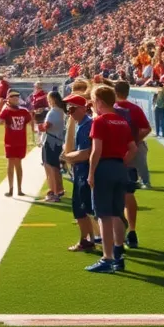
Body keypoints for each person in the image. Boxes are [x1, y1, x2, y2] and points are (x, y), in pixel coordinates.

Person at [86, 84, 137, 274]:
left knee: (104, 215)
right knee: (117, 213)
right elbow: (133, 148)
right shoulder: (122, 121)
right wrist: (122, 161)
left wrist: (91, 172)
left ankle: (107, 257)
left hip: (104, 167)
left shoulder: (99, 121)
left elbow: (96, 150)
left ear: (99, 101)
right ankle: (118, 253)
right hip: (119, 168)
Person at [113, 80, 152, 246]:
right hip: (129, 155)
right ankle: (132, 231)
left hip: (115, 156)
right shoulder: (134, 108)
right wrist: (135, 142)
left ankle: (119, 233)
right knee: (128, 194)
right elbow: (146, 128)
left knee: (116, 194)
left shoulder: (112, 109)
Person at [62, 95, 97, 252]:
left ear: (83, 108)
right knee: (80, 208)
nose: (70, 113)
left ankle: (92, 240)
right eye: (68, 109)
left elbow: (85, 153)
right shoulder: (80, 124)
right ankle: (87, 239)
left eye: (73, 109)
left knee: (85, 209)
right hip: (80, 171)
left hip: (84, 171)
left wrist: (67, 157)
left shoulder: (86, 125)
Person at [0, 91, 31, 197]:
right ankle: (11, 188)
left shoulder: (24, 111)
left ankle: (19, 189)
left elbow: (31, 122)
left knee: (18, 165)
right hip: (10, 141)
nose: (16, 99)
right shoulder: (7, 111)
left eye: (17, 97)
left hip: (20, 141)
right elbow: (0, 122)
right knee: (11, 164)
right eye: (14, 97)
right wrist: (0, 107)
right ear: (9, 99)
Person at [39, 91, 67, 203]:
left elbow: (47, 126)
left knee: (50, 167)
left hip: (50, 141)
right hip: (57, 141)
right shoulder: (61, 111)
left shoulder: (53, 112)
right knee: (54, 166)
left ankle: (55, 191)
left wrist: (39, 125)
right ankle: (58, 190)